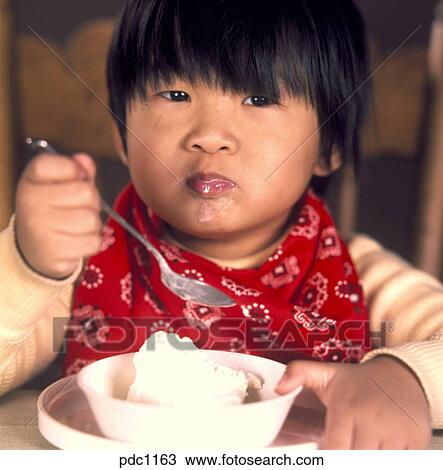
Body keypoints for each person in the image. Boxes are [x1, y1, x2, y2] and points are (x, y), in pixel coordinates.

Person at [1, 0, 442, 450]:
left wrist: (403, 377)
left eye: (259, 97)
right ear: (122, 135)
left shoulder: (365, 275)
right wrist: (28, 264)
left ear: (328, 144)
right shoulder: (79, 261)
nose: (209, 135)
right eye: (175, 95)